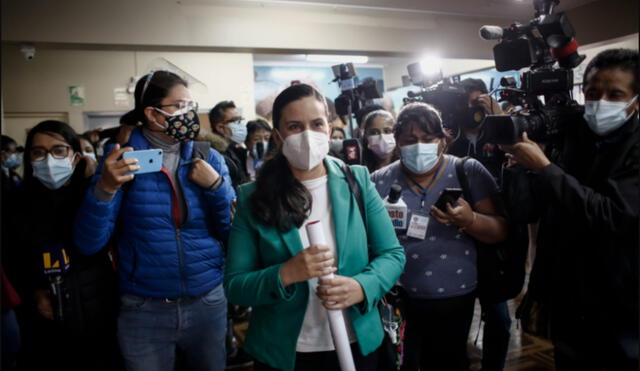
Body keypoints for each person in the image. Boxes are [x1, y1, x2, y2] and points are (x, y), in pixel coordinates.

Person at [225, 83, 405, 371]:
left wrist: (361, 286)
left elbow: (393, 254)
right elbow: (235, 286)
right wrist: (285, 273)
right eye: (295, 126)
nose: (307, 135)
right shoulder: (253, 197)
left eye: (317, 123)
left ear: (329, 128)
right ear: (278, 136)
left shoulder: (357, 181)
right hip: (287, 351)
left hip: (358, 341)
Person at [73, 71, 235, 371]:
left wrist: (217, 188)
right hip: (143, 308)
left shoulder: (209, 158)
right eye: (179, 106)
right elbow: (88, 242)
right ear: (152, 113)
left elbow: (233, 233)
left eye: (191, 104)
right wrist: (105, 188)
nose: (189, 113)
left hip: (207, 301)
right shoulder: (120, 161)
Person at [503, 48, 639, 371]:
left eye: (614, 94)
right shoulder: (573, 134)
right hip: (567, 295)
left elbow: (613, 216)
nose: (599, 101)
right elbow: (527, 210)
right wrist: (519, 166)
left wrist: (546, 168)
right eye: (592, 92)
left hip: (620, 305)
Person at [371, 102, 507, 371]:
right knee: (402, 363)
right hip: (399, 296)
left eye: (427, 138)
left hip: (456, 295)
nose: (419, 145)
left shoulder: (468, 172)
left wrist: (471, 220)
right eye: (410, 140)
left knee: (449, 362)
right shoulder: (378, 181)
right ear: (397, 142)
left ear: (443, 140)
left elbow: (500, 230)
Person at [6, 120, 118, 371]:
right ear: (29, 158)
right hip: (41, 318)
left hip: (96, 310)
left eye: (58, 150)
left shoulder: (93, 197)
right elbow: (12, 258)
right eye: (38, 152)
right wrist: (34, 292)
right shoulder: (15, 202)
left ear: (75, 157)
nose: (48, 159)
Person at [447, 78, 512, 371]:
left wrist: (499, 118)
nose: (470, 110)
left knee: (498, 316)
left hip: (494, 235)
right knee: (456, 319)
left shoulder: (499, 138)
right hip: (457, 237)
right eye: (464, 104)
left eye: (476, 103)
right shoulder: (452, 142)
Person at [206, 100, 249, 187]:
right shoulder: (214, 156)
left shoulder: (231, 150)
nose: (241, 125)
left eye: (241, 120)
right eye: (236, 121)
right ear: (220, 127)